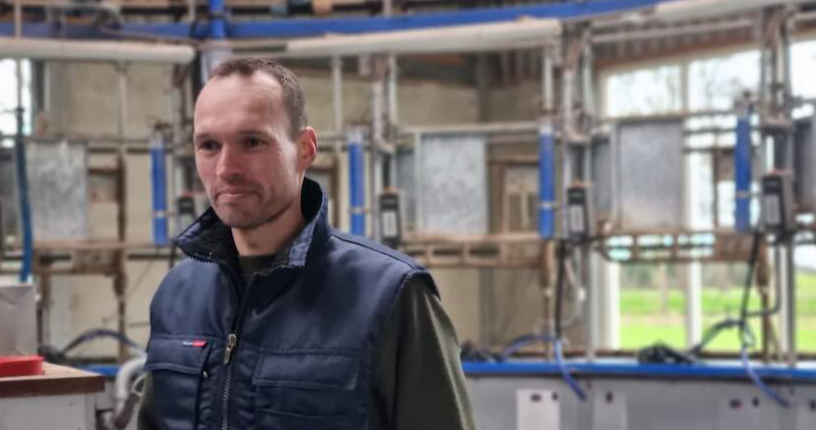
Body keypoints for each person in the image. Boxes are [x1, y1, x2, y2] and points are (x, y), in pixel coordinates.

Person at [137, 58, 475, 430]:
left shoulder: (391, 296)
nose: (226, 168)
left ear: (305, 148)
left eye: (252, 142)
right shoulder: (177, 295)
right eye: (209, 145)